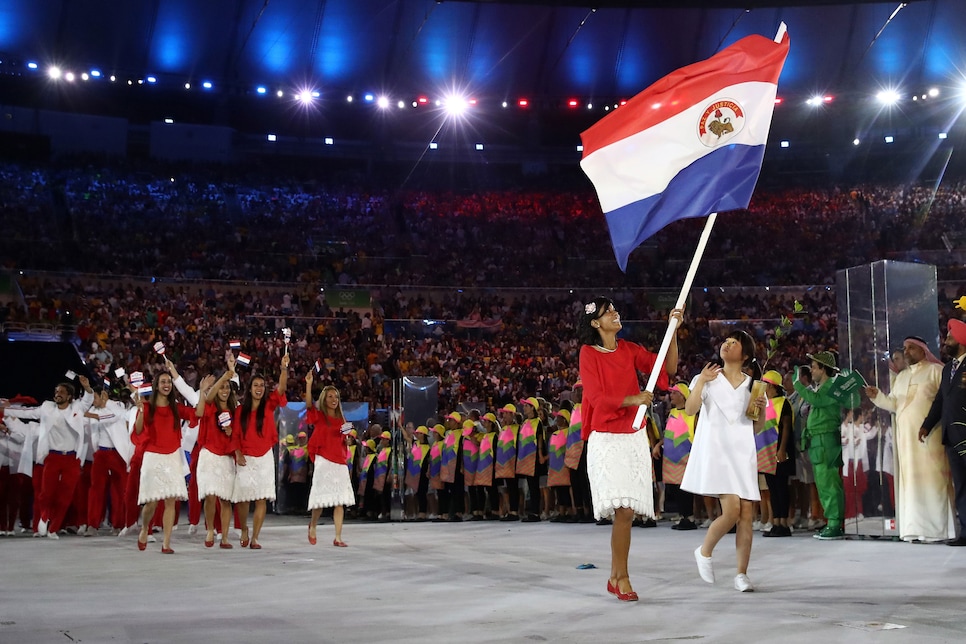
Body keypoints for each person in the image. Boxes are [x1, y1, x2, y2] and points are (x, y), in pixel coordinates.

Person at [578, 296, 681, 602]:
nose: (615, 313)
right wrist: (634, 400)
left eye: (613, 309)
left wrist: (672, 332)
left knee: (627, 513)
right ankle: (621, 577)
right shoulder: (588, 353)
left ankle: (615, 576)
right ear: (596, 324)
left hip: (633, 435)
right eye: (607, 312)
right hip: (606, 436)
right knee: (622, 511)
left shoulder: (629, 349)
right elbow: (596, 398)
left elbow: (668, 367)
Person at [682, 331, 766, 592]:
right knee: (731, 511)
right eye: (726, 341)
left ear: (746, 355)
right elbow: (690, 409)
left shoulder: (753, 386)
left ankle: (742, 574)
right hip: (718, 452)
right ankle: (705, 551)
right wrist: (701, 383)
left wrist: (761, 410)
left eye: (734, 343)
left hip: (742, 453)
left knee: (746, 515)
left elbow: (757, 428)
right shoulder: (706, 377)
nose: (726, 344)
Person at [865, 336, 952, 542]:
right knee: (911, 484)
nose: (906, 352)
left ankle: (938, 531)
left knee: (935, 482)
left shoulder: (936, 371)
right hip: (906, 442)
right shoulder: (901, 377)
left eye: (911, 348)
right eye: (905, 348)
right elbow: (894, 404)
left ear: (923, 350)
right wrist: (876, 396)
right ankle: (914, 530)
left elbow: (945, 403)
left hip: (930, 438)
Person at [2, 376, 94, 539]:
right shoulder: (47, 407)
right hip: (52, 456)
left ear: (69, 396)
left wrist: (87, 388)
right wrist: (6, 409)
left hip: (72, 459)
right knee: (46, 493)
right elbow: (28, 412)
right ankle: (44, 518)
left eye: (61, 392)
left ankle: (54, 529)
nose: (57, 394)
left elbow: (87, 401)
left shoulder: (76, 408)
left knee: (65, 496)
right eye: (56, 392)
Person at [231, 353, 289, 549]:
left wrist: (283, 369)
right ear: (250, 389)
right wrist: (238, 453)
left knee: (261, 498)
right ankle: (244, 529)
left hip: (264, 456)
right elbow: (236, 435)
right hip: (245, 458)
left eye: (261, 386)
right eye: (255, 385)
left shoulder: (269, 405)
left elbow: (281, 388)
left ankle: (255, 537)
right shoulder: (241, 411)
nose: (259, 389)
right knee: (243, 498)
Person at [133, 372, 193, 553]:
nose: (166, 384)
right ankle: (145, 528)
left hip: (173, 456)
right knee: (151, 502)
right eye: (163, 382)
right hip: (153, 456)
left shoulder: (176, 407)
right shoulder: (146, 406)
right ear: (156, 385)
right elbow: (138, 429)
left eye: (169, 382)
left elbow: (197, 412)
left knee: (170, 500)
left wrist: (204, 392)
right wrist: (141, 411)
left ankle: (166, 543)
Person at [792, 350, 850, 540]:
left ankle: (835, 524)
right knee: (824, 484)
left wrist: (798, 386)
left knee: (829, 484)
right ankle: (831, 521)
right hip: (818, 441)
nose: (812, 371)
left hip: (826, 440)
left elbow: (818, 401)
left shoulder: (831, 387)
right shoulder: (822, 387)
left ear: (824, 369)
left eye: (815, 367)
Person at [920, 319, 966, 546]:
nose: (946, 340)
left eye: (950, 336)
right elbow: (940, 401)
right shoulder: (948, 368)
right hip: (952, 437)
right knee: (961, 486)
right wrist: (927, 424)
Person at [303, 373, 354, 547]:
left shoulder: (342, 420)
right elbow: (309, 405)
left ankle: (338, 537)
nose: (334, 399)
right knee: (321, 499)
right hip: (323, 460)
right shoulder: (319, 416)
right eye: (330, 396)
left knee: (340, 500)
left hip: (339, 460)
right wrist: (309, 384)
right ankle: (313, 526)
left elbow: (345, 439)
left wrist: (348, 441)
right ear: (324, 399)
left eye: (336, 397)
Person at [194, 365, 238, 549]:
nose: (225, 390)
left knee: (225, 499)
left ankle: (225, 537)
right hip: (209, 455)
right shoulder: (210, 405)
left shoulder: (235, 411)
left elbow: (239, 436)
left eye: (228, 387)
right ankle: (211, 529)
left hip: (226, 458)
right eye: (222, 387)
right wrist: (225, 376)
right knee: (210, 495)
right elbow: (209, 397)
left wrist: (231, 432)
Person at [84, 389, 134, 536]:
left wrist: (86, 414)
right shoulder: (93, 409)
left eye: (95, 397)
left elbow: (110, 417)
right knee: (96, 490)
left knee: (119, 491)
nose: (93, 401)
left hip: (117, 454)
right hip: (101, 454)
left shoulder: (116, 406)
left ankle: (118, 524)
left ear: (104, 395)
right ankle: (92, 524)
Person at [761, 370, 794, 537]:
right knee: (772, 488)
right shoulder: (764, 404)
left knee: (781, 487)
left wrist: (782, 449)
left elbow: (786, 427)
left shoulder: (784, 403)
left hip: (779, 451)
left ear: (770, 386)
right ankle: (775, 522)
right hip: (766, 452)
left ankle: (784, 522)